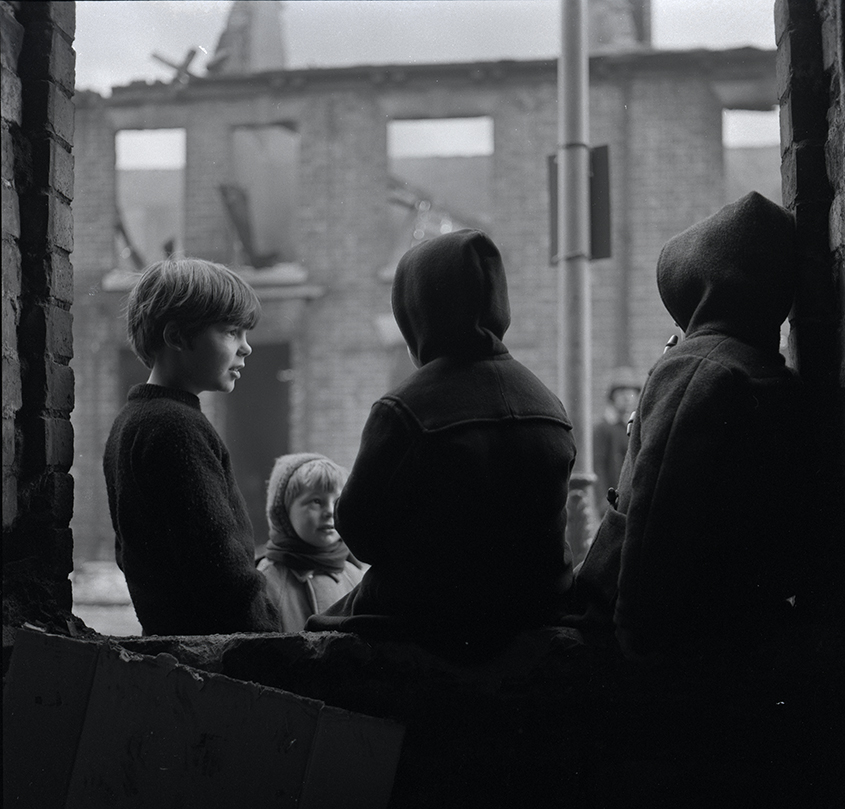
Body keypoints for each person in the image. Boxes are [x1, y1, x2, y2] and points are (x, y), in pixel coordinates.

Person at [306, 229, 577, 659]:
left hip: (432, 617)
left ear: (417, 309)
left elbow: (361, 534)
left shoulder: (406, 407)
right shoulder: (547, 401)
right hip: (536, 608)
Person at [571, 191, 806, 661]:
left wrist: (631, 643)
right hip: (736, 629)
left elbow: (656, 518)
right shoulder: (765, 372)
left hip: (662, 643)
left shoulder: (695, 367)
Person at [103, 257, 280, 635]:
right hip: (218, 657)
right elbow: (221, 570)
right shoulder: (175, 427)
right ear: (177, 337)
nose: (246, 348)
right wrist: (276, 645)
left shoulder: (133, 421)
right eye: (232, 332)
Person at [258, 453, 365, 632]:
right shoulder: (266, 585)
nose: (330, 512)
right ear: (282, 512)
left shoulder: (357, 579)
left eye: (337, 501)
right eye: (316, 501)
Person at [592, 367, 642, 514]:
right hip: (613, 502)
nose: (627, 398)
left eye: (631, 393)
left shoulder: (636, 428)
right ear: (613, 397)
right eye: (622, 393)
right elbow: (598, 466)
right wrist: (603, 502)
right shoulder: (603, 429)